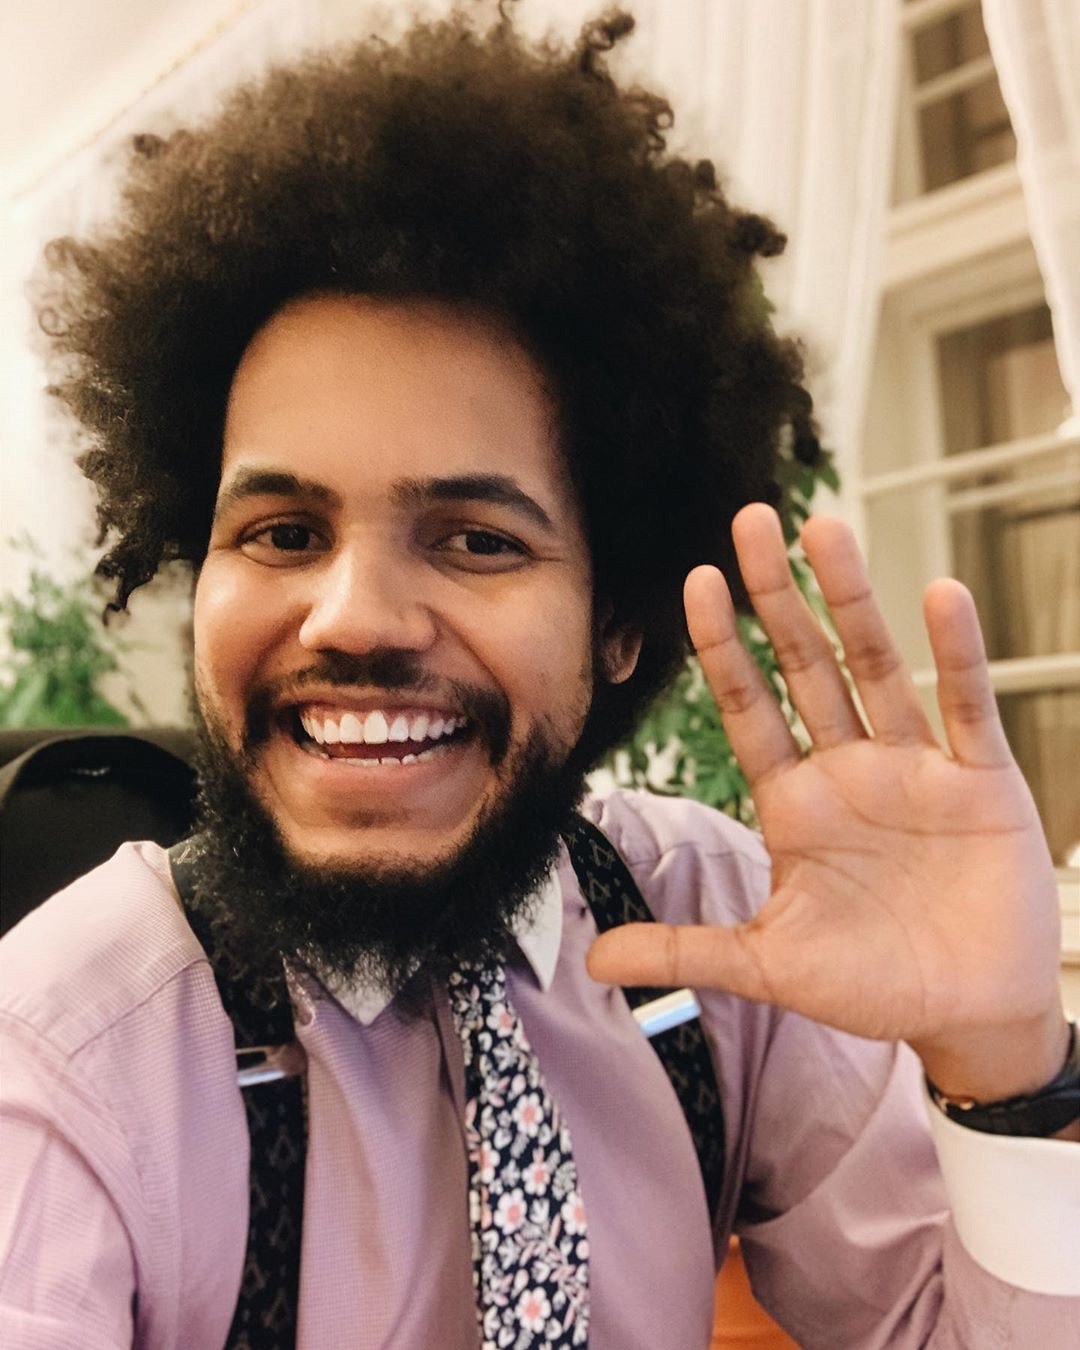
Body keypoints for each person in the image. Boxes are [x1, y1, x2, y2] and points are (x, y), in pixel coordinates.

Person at [1, 9, 1077, 1349]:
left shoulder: (716, 926)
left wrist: (1007, 1064)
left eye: (476, 539)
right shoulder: (60, 1061)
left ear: (617, 620)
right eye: (282, 532)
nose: (354, 616)